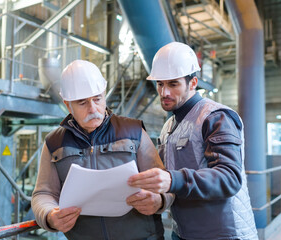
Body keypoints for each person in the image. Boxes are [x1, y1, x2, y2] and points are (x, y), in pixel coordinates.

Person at [127, 42, 258, 240]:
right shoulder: (168, 127)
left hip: (224, 234)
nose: (164, 93)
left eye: (173, 84)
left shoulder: (215, 117)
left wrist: (173, 179)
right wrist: (160, 199)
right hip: (183, 233)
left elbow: (229, 178)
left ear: (193, 83)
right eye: (160, 84)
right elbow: (171, 183)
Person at [31, 59, 174, 240]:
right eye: (82, 103)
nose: (93, 108)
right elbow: (44, 193)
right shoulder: (54, 142)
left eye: (97, 99)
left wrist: (159, 200)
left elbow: (164, 181)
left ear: (104, 94)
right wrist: (49, 216)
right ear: (68, 104)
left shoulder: (134, 131)